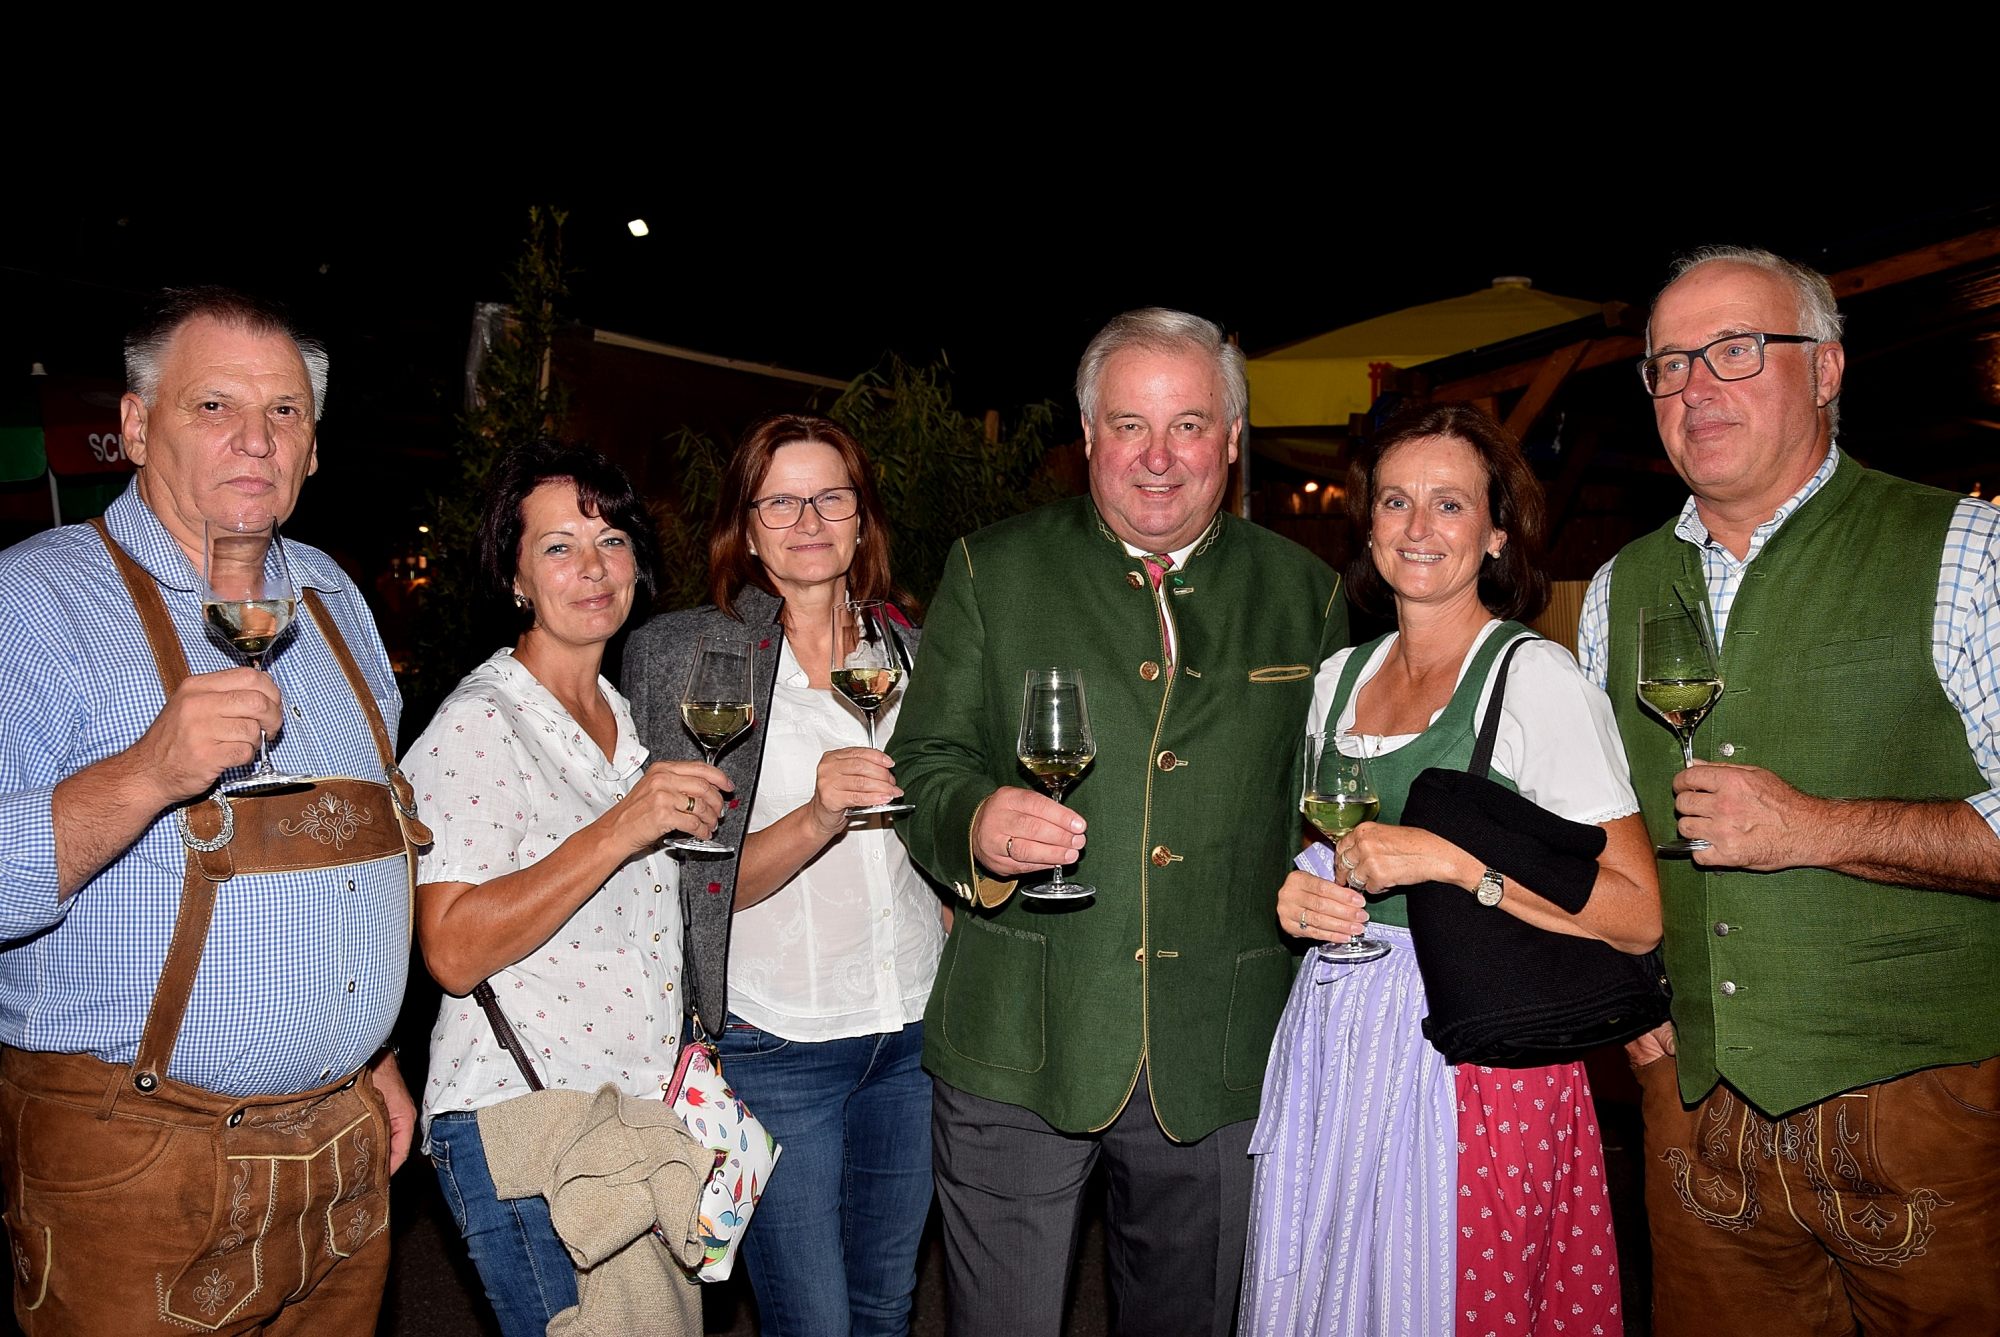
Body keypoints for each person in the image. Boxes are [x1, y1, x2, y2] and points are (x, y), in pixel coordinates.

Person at [889, 308, 1346, 1337]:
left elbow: (1324, 798)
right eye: (1129, 424)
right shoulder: (992, 569)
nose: (1157, 456)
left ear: (1232, 438)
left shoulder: (1303, 591)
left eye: (1188, 424)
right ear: (1089, 434)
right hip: (1016, 1040)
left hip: (1222, 1051)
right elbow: (923, 761)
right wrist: (974, 822)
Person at [1577, 246, 2000, 1334]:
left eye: (1734, 349)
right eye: (1669, 363)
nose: (1695, 386)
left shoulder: (1967, 547)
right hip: (1693, 1115)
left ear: (1825, 369)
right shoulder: (1616, 588)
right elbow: (1593, 832)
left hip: (1932, 1109)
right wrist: (1624, 991)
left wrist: (1815, 827)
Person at [0, 287, 425, 1335]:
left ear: (313, 449)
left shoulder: (333, 596)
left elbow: (362, 848)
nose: (256, 439)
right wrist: (148, 772)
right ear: (138, 425)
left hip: (343, 1151)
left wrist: (373, 1056)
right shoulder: (33, 601)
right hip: (139, 1163)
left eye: (284, 411)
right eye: (214, 406)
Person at [1244, 404, 1659, 1335]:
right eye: (1396, 501)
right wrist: (1304, 892)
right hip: (1338, 1033)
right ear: (1369, 526)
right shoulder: (1337, 682)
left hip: (1477, 1046)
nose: (1418, 527)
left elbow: (1636, 913)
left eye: (1449, 503)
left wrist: (1452, 862)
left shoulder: (1537, 679)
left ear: (1497, 532)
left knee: (1450, 1298)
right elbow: (1329, 851)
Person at [624, 412, 945, 1337]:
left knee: (886, 1304)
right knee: (813, 1320)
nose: (808, 520)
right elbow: (689, 880)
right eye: (780, 502)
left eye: (830, 497)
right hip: (778, 1040)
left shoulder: (914, 649)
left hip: (915, 1030)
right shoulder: (693, 654)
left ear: (861, 517)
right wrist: (815, 816)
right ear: (746, 525)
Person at [405, 440, 730, 1337]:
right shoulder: (480, 723)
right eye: (558, 546)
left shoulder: (624, 721)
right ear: (514, 577)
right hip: (529, 1123)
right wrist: (621, 828)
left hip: (629, 1125)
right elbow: (451, 948)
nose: (592, 567)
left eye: (612, 540)